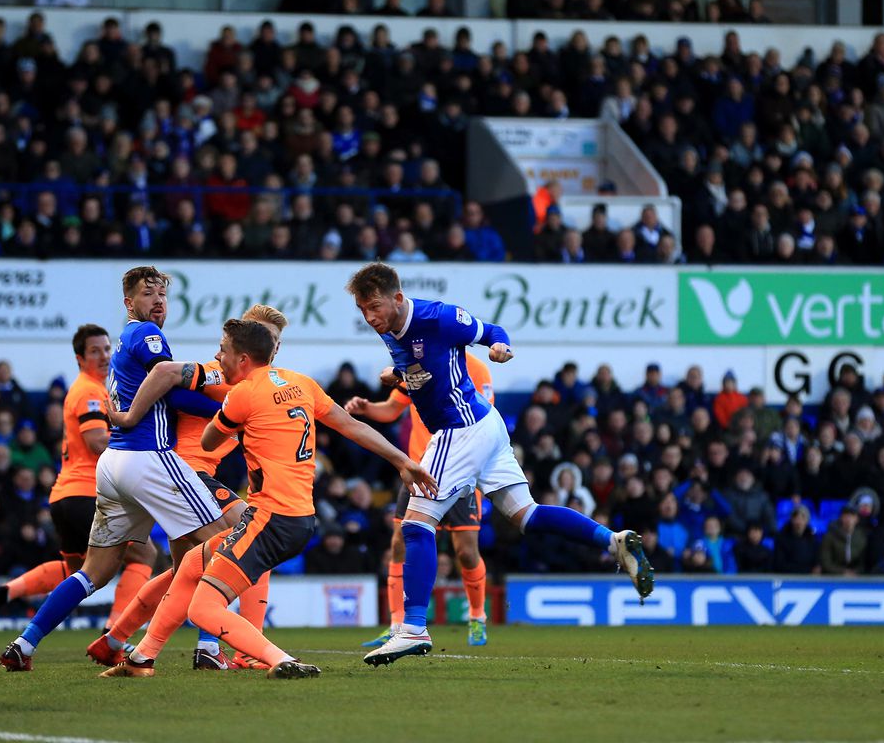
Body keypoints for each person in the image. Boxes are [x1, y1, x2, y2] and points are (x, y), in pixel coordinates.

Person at [346, 264, 652, 666]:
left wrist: (500, 348)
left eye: (374, 307)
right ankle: (611, 541)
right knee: (526, 515)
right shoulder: (391, 329)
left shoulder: (436, 316)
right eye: (363, 310)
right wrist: (399, 374)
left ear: (397, 299)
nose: (370, 317)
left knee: (416, 523)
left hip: (461, 428)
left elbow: (491, 331)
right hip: (483, 427)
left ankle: (413, 628)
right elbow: (428, 367)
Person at [99, 319, 435, 679]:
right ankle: (141, 659)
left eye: (223, 350)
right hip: (300, 517)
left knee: (203, 609)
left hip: (268, 519)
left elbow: (210, 441)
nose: (218, 356)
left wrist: (227, 411)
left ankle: (280, 659)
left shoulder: (242, 394)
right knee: (193, 564)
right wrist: (403, 460)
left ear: (243, 358)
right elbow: (352, 426)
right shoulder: (301, 383)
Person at [0, 267, 226, 671]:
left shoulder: (125, 341)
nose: (157, 300)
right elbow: (172, 391)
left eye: (162, 294)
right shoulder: (146, 335)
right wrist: (229, 411)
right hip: (148, 457)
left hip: (113, 467)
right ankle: (209, 649)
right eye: (147, 293)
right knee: (223, 545)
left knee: (94, 573)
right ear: (129, 303)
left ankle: (24, 644)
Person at [88, 304, 291, 672]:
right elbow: (171, 386)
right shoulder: (220, 372)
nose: (271, 345)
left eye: (276, 340)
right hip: (182, 473)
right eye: (264, 335)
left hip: (188, 476)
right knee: (252, 540)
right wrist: (223, 413)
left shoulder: (261, 384)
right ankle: (236, 649)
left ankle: (116, 639)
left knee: (187, 570)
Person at [0, 325, 157, 633]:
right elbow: (98, 442)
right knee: (145, 553)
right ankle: (115, 631)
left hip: (65, 496)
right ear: (79, 357)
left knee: (76, 571)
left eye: (106, 349)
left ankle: (4, 593)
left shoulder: (96, 388)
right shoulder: (88, 390)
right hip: (89, 494)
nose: (103, 356)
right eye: (94, 351)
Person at [349, 351, 495, 647]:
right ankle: (396, 624)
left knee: (465, 552)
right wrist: (367, 408)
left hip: (459, 470)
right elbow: (391, 409)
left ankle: (477, 618)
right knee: (398, 544)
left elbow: (483, 418)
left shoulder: (477, 370)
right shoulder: (417, 366)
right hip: (419, 468)